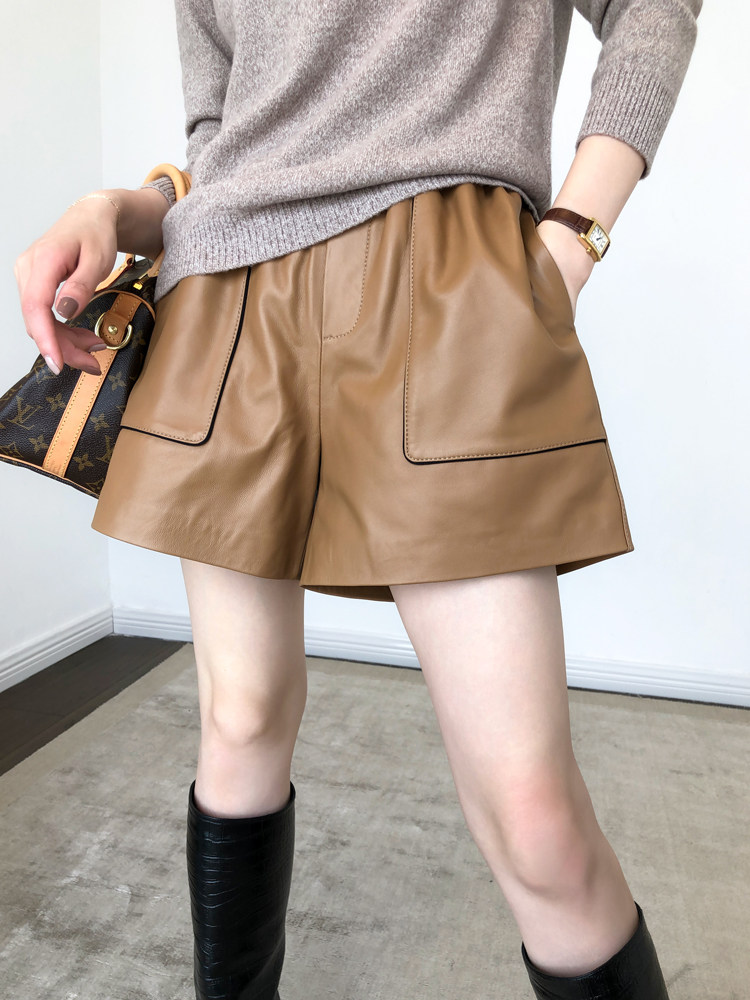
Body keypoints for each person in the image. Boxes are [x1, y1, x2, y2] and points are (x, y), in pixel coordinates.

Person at [13, 2, 703, 998]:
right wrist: (121, 204)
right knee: (240, 722)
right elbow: (225, 140)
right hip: (226, 304)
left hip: (446, 278)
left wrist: (573, 234)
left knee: (535, 816)